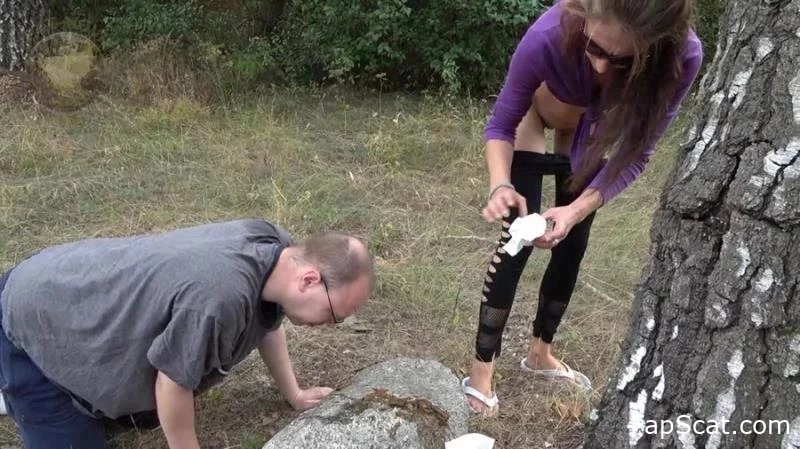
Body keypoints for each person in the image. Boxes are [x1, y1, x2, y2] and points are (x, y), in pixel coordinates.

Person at [462, 0, 703, 415]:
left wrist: (574, 212)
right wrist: (500, 182)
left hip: (590, 130)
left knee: (572, 240)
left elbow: (637, 155)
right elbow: (502, 123)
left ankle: (541, 352)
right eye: (595, 48)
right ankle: (481, 372)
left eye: (621, 58)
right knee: (516, 240)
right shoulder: (547, 36)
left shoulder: (682, 57)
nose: (603, 68)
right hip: (535, 117)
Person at [0, 219, 374, 448]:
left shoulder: (279, 252)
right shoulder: (218, 298)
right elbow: (172, 385)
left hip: (81, 298)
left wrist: (293, 393)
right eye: (334, 313)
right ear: (309, 280)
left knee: (145, 415)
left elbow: (267, 322)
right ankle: (13, 389)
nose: (331, 325)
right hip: (36, 316)